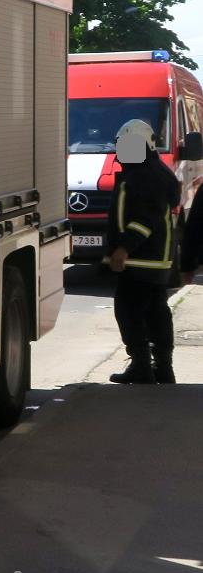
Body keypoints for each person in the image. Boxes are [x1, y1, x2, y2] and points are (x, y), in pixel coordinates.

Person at [106, 119, 181, 384]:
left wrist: (123, 248)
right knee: (156, 313)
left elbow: (145, 218)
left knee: (130, 312)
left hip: (141, 259)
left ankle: (141, 366)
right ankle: (162, 367)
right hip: (154, 260)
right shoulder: (150, 172)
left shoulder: (144, 176)